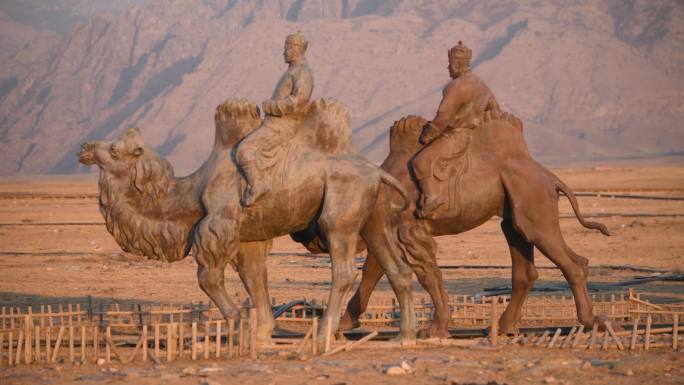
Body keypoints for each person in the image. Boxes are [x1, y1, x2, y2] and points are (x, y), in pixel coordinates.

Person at [413, 41, 500, 218]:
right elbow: (495, 110)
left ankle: (432, 199)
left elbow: (443, 115)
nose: (448, 67)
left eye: (450, 63)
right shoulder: (481, 86)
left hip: (455, 136)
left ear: (458, 64)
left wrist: (428, 134)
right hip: (473, 136)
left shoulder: (455, 86)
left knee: (421, 162)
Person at [236, 31, 314, 206]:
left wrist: (271, 106)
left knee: (244, 150)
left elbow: (298, 101)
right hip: (274, 122)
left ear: (296, 49)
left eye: (287, 48)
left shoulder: (302, 72)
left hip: (283, 125)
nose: (284, 52)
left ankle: (258, 185)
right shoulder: (292, 71)